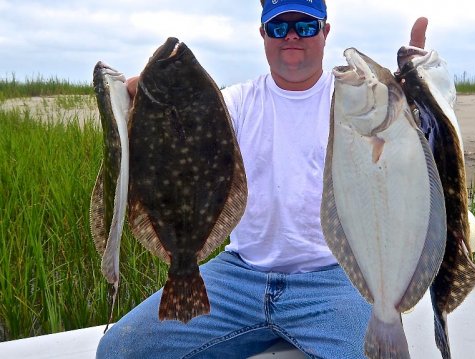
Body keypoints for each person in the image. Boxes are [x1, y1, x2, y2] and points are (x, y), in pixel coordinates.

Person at [97, 1, 429, 358]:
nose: (290, 36)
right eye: (277, 27)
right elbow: (183, 134)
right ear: (262, 35)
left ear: (325, 32)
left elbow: (407, 158)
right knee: (119, 350)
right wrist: (141, 107)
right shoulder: (236, 102)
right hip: (239, 276)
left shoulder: (357, 101)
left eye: (304, 26)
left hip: (333, 279)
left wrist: (419, 99)